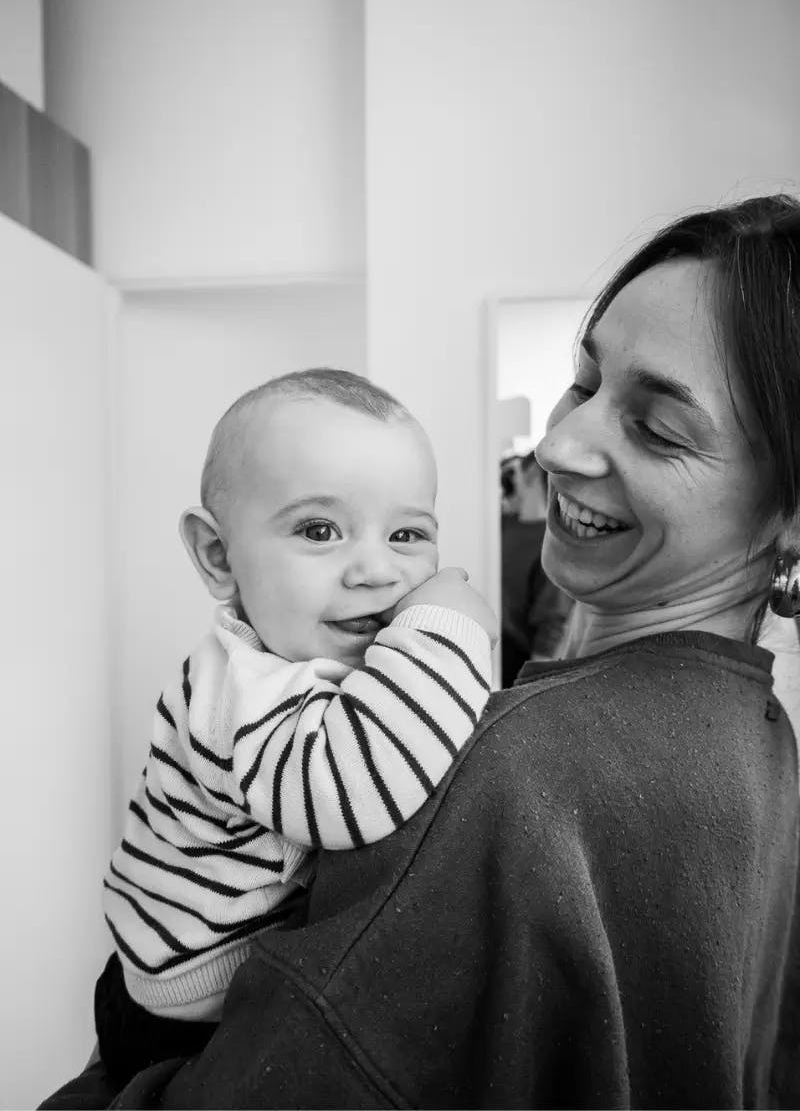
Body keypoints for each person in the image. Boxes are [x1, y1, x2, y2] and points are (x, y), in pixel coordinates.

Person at [43, 194, 800, 1109]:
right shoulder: (755, 739)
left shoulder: (533, 768)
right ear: (217, 553)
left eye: (659, 426)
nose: (557, 443)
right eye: (585, 381)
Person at [93, 368, 497, 1085]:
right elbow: (351, 793)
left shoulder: (317, 659)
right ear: (219, 557)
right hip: (180, 1009)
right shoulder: (240, 687)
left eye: (407, 534)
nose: (376, 570)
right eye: (319, 530)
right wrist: (450, 627)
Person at [501, 450, 572, 683]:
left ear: (531, 472)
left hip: (519, 660)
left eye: (517, 473)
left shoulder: (553, 540)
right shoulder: (502, 526)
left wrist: (532, 684)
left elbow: (553, 622)